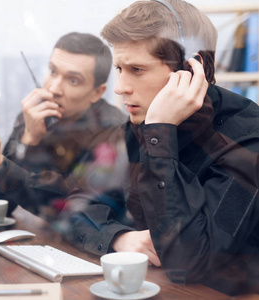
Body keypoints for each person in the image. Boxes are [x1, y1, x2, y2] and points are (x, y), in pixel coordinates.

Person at [64, 0, 259, 295]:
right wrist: (120, 238)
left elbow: (190, 262)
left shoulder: (247, 140)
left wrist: (160, 133)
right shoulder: (134, 126)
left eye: (137, 69)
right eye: (119, 68)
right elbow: (74, 205)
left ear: (192, 69)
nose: (120, 86)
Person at [0, 32, 128, 222]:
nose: (54, 88)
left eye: (73, 80)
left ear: (97, 93)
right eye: (52, 71)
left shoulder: (114, 130)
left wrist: (0, 161)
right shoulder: (34, 115)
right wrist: (28, 139)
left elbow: (70, 212)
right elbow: (0, 206)